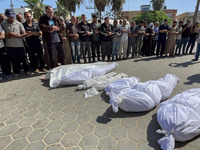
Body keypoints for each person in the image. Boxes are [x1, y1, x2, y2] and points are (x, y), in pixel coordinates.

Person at [1, 9, 30, 77]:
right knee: (13, 60)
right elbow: (2, 34)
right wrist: (9, 34)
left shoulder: (19, 24)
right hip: (9, 46)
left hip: (20, 45)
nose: (12, 18)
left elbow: (24, 34)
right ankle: (16, 72)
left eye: (13, 16)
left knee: (24, 59)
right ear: (6, 16)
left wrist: (18, 36)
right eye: (10, 16)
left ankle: (27, 70)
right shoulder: (3, 24)